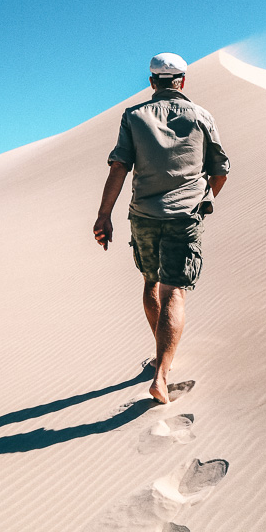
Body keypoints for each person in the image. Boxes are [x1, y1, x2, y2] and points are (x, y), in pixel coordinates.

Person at [93, 53, 230, 403]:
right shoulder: (202, 117)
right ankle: (161, 374)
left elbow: (119, 167)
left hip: (144, 215)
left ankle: (160, 354)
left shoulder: (133, 117)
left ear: (152, 82)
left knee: (151, 282)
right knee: (174, 292)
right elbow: (221, 170)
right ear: (182, 81)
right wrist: (201, 200)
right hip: (184, 216)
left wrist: (103, 215)